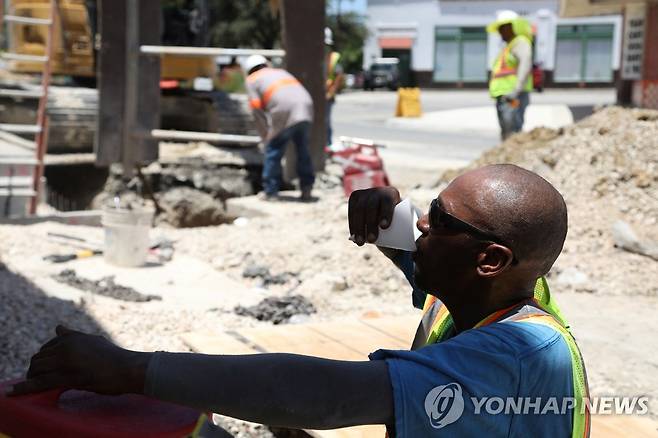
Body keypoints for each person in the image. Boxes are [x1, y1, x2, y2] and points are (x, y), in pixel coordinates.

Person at [9, 164, 589, 437]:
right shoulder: (492, 291)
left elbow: (325, 397)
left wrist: (132, 369)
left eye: (437, 220)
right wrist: (387, 213)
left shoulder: (516, 354)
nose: (421, 230)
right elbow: (422, 257)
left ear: (489, 260)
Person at [243, 54, 315, 201]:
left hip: (285, 110)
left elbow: (256, 110)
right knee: (303, 150)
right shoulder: (281, 72)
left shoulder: (252, 79)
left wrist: (265, 136)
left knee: (273, 150)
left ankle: (270, 192)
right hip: (306, 107)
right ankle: (307, 189)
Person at [487, 11, 534, 140]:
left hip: (512, 96)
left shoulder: (520, 42)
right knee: (507, 131)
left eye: (503, 28)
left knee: (512, 132)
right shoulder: (510, 46)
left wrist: (516, 90)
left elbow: (525, 64)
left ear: (512, 27)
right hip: (505, 95)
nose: (500, 32)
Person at [324, 27, 343, 147]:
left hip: (327, 95)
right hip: (315, 94)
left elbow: (339, 76)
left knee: (325, 121)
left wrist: (332, 91)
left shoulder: (333, 58)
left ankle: (328, 144)